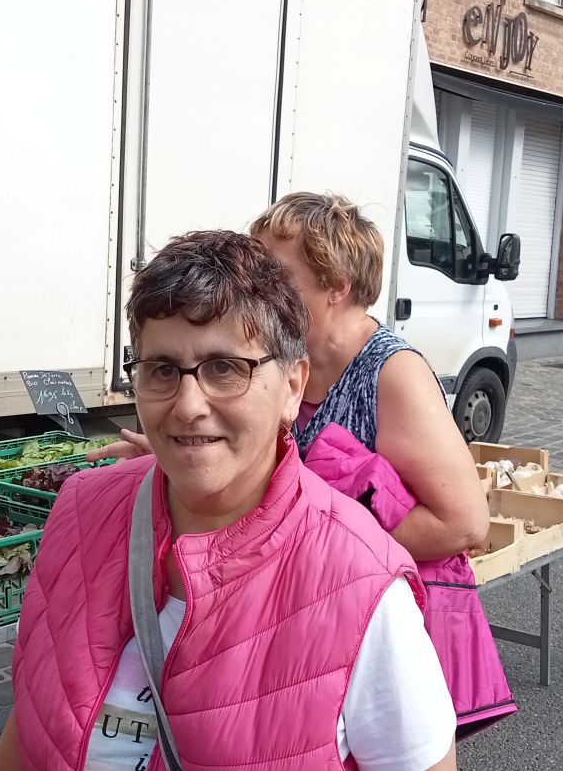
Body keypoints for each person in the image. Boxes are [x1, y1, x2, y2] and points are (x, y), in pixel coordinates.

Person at [0, 231, 475, 771]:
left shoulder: (358, 581)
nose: (189, 402)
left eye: (226, 367)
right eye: (162, 368)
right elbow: (40, 701)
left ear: (294, 384)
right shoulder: (80, 514)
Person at [104, 193, 515, 734]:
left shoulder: (393, 374)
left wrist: (320, 562)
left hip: (368, 624)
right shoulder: (284, 365)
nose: (255, 290)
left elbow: (462, 522)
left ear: (336, 285)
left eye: (274, 273)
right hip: (298, 618)